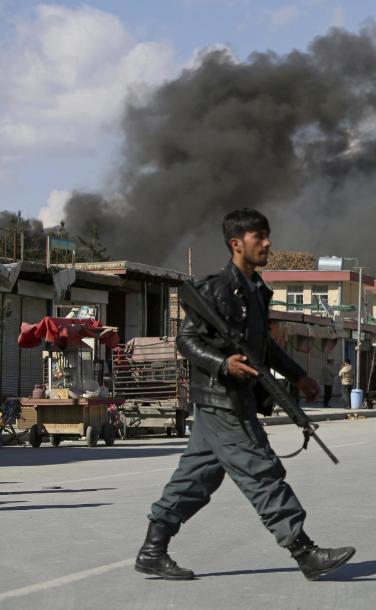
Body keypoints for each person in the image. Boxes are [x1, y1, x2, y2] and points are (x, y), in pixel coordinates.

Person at [135, 209, 355, 581]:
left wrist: (299, 375)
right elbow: (186, 340)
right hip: (223, 400)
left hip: (229, 401)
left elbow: (263, 346)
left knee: (196, 478)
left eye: (268, 235)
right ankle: (305, 553)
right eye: (259, 237)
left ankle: (152, 550)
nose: (268, 243)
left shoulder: (256, 291)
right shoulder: (216, 290)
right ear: (237, 243)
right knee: (262, 471)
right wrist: (223, 364)